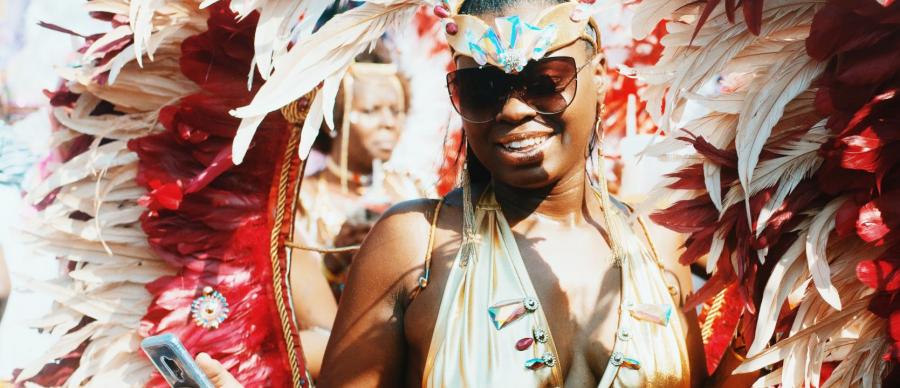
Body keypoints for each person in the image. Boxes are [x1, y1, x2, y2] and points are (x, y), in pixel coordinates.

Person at [199, 0, 759, 386]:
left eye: (546, 80)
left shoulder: (660, 245)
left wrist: (761, 340)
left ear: (601, 77)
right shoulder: (411, 245)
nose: (514, 109)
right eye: (483, 89)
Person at [288, 61, 412, 379]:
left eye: (396, 111)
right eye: (372, 111)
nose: (389, 123)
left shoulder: (415, 190)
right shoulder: (300, 197)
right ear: (336, 119)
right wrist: (334, 265)